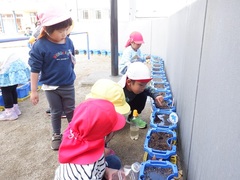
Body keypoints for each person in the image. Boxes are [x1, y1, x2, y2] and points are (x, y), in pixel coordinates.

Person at [28, 6, 76, 150]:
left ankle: (74, 132)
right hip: (50, 87)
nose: (64, 34)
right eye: (61, 31)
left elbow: (71, 59)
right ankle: (56, 134)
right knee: (55, 111)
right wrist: (34, 90)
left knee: (71, 110)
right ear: (48, 29)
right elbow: (34, 69)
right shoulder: (39, 46)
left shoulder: (68, 41)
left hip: (68, 84)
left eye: (66, 29)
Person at [54, 98, 127, 180]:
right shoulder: (87, 174)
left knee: (114, 161)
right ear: (105, 136)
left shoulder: (76, 133)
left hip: (93, 169)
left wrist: (107, 171)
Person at [85, 78, 130, 155]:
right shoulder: (88, 124)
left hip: (100, 142)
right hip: (89, 155)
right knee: (115, 162)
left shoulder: (104, 120)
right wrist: (103, 152)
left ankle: (103, 145)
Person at [118, 62, 164, 129]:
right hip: (119, 105)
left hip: (130, 102)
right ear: (129, 82)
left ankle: (133, 117)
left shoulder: (140, 88)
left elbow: (149, 89)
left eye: (145, 84)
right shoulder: (119, 90)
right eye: (141, 85)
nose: (143, 87)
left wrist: (156, 96)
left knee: (143, 94)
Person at [0, 53, 30, 121]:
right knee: (12, 88)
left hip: (7, 67)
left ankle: (9, 112)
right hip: (15, 63)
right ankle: (15, 108)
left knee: (6, 90)